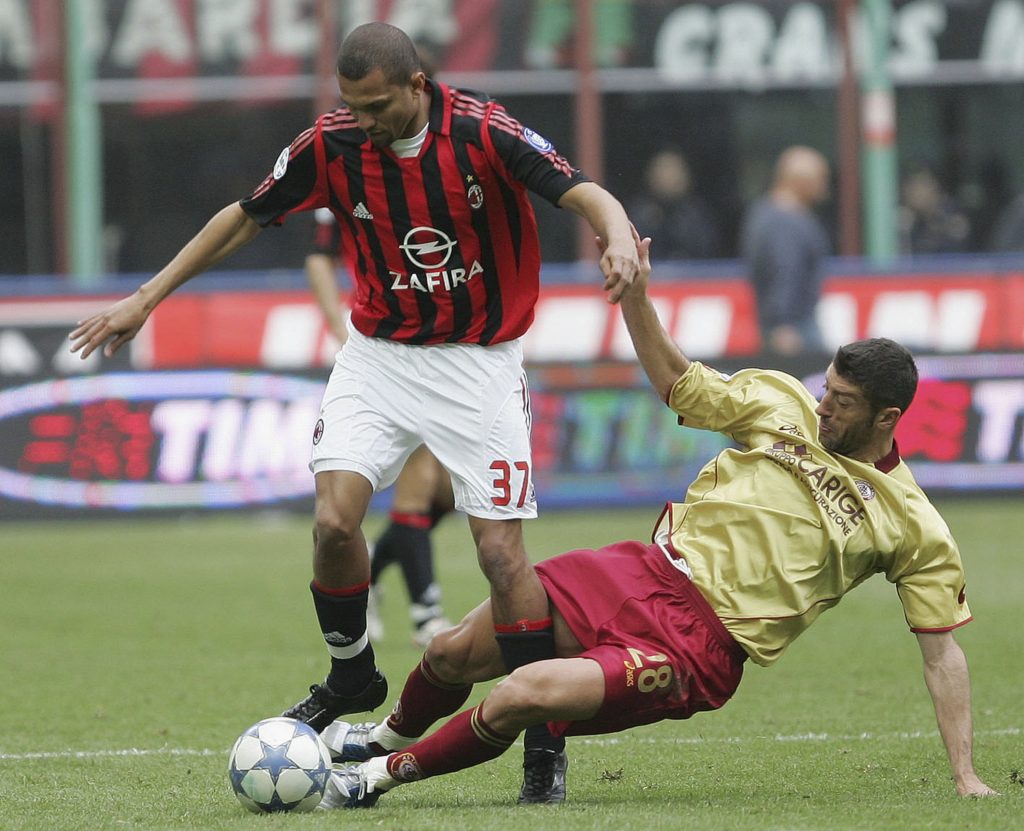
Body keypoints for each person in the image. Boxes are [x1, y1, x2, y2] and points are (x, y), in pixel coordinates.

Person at [68, 22, 638, 804]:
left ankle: (544, 739)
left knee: (503, 557)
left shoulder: (482, 130)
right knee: (334, 522)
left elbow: (585, 190)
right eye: (352, 106)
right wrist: (146, 297)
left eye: (376, 106)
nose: (364, 120)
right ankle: (353, 674)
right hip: (378, 355)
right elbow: (244, 215)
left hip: (479, 361)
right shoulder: (330, 145)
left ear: (417, 85)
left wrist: (617, 241)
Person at [314, 230, 997, 809]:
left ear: (888, 418)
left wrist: (965, 774)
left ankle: (372, 779)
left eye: (843, 403)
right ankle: (389, 735)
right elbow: (681, 384)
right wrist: (636, 299)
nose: (823, 408)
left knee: (528, 689)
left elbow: (942, 653)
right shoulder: (783, 400)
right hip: (635, 570)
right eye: (826, 390)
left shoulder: (914, 524)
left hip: (698, 644)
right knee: (448, 652)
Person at [305, 208, 453, 648]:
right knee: (419, 483)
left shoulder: (447, 165)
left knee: (445, 495)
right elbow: (319, 256)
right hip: (390, 354)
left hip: (453, 350)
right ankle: (427, 612)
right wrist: (337, 326)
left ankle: (366, 572)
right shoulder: (351, 170)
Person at [740, 146, 830, 357]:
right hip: (794, 326)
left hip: (787, 322)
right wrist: (783, 324)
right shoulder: (785, 221)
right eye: (820, 178)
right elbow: (784, 271)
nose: (824, 186)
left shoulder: (768, 212)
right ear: (800, 180)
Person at [626, 148, 722, 259]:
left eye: (674, 170)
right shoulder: (638, 214)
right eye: (663, 170)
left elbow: (708, 252)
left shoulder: (698, 214)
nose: (668, 176)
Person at [898, 167, 971, 256]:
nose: (911, 193)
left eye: (917, 186)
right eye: (909, 187)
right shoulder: (914, 218)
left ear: (934, 188)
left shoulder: (950, 215)